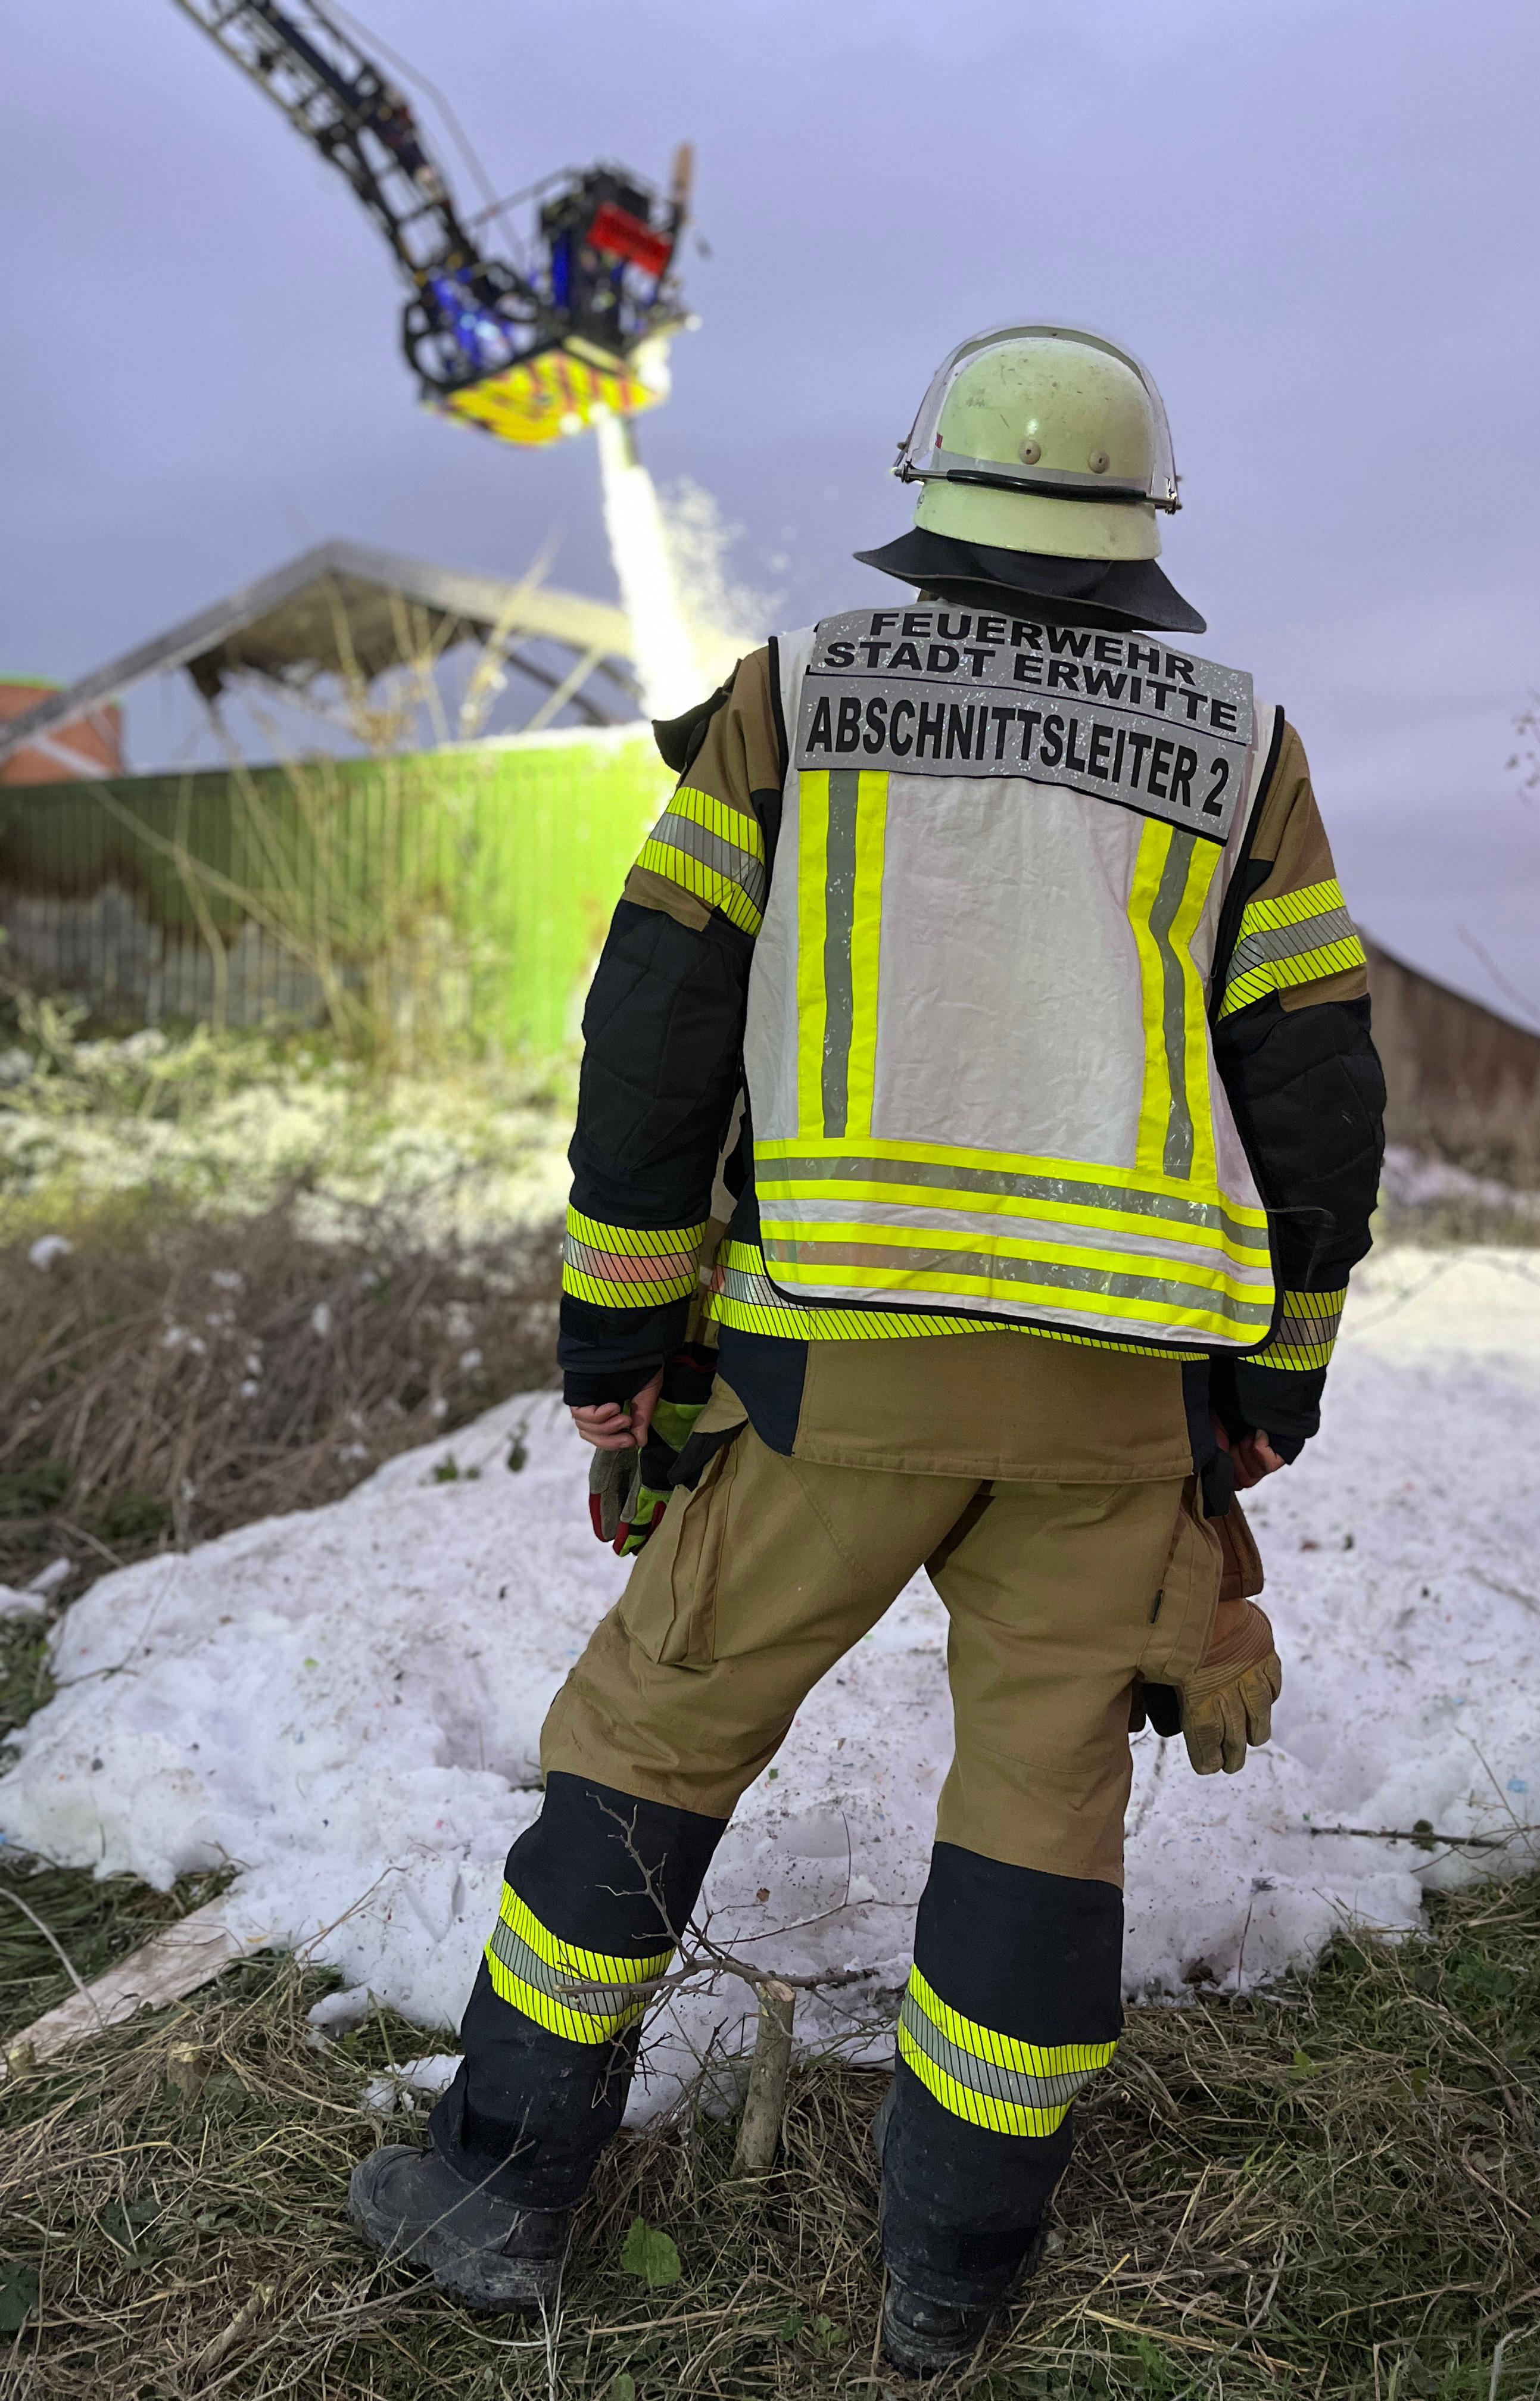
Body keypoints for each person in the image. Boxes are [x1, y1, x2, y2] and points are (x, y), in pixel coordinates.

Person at [349, 323, 1385, 2374]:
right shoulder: (1244, 744)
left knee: (652, 1736)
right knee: (1038, 1813)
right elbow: (1319, 1084)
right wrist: (1278, 1378)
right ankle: (951, 2284)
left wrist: (618, 1341)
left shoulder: (797, 697)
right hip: (1112, 1408)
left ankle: (496, 2189)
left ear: (935, 496)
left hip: (828, 1374)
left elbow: (651, 1030)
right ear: (1140, 522)